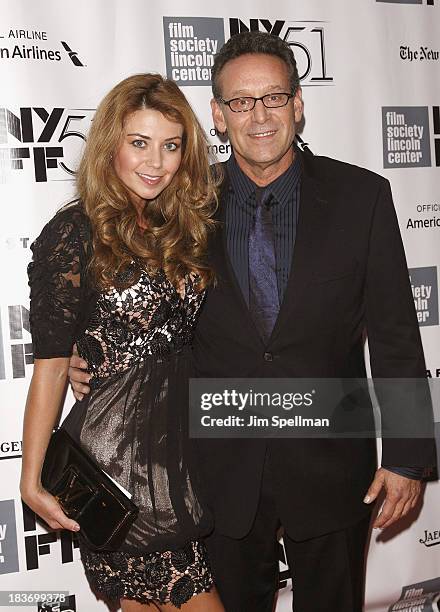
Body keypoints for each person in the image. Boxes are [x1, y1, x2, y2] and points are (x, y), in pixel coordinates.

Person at [69, 34, 437, 612]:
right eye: (240, 102)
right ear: (217, 115)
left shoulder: (361, 197)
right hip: (216, 469)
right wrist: (88, 354)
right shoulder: (179, 204)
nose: (259, 115)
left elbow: (395, 335)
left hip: (332, 466)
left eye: (274, 97)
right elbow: (131, 306)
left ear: (298, 104)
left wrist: (408, 458)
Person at [20, 73, 225, 612]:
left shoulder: (180, 226)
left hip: (178, 462)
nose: (155, 162)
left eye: (171, 145)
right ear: (111, 144)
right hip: (116, 467)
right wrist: (30, 480)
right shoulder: (74, 232)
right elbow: (50, 366)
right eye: (139, 143)